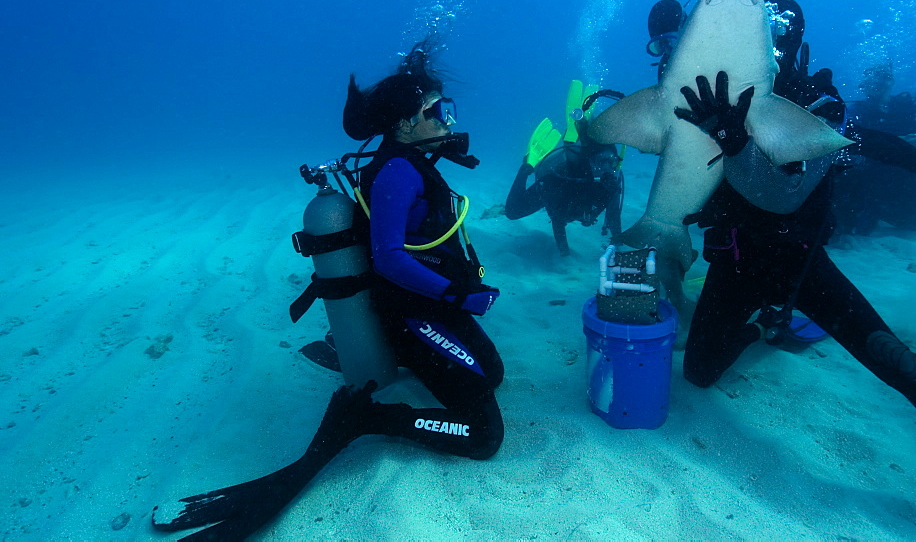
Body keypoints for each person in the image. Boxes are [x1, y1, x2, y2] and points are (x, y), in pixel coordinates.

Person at [152, 41, 505, 539]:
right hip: (415, 312)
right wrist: (457, 298)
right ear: (405, 125)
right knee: (484, 435)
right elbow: (388, 257)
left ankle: (382, 355)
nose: (448, 119)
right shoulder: (400, 172)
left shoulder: (411, 161)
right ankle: (369, 418)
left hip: (429, 307)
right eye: (437, 111)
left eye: (448, 109)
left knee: (491, 373)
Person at [673, 18, 916, 484]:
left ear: (791, 47)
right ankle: (766, 327)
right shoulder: (715, 101)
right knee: (699, 373)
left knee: (900, 366)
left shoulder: (819, 105)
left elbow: (790, 191)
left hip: (800, 268)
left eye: (773, 42)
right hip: (736, 260)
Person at [505, 88, 624, 256]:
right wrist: (565, 256)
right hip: (554, 182)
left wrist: (619, 248)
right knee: (513, 212)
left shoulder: (610, 181)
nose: (605, 169)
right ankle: (527, 166)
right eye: (600, 162)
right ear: (588, 160)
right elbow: (558, 221)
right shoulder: (563, 177)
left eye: (611, 162)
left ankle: (578, 129)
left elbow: (613, 216)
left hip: (575, 199)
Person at [834, 62, 916, 235]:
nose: (875, 86)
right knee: (857, 227)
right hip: (868, 173)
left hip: (901, 173)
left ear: (890, 83)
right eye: (870, 82)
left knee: (915, 224)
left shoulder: (910, 106)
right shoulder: (856, 110)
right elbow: (843, 139)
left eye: (881, 81)